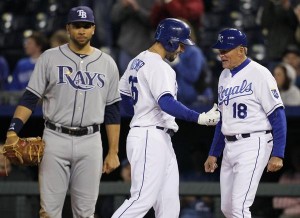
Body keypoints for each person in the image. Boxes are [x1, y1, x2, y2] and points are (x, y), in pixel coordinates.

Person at [3, 6, 121, 218]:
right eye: (77, 26)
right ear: (68, 28)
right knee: (49, 211)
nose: (82, 30)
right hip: (55, 138)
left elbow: (112, 110)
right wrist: (13, 130)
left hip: (90, 140)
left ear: (93, 29)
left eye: (86, 26)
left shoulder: (108, 64)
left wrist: (113, 151)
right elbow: (30, 98)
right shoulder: (49, 58)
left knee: (86, 213)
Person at [111, 18, 220, 218]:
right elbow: (166, 103)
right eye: (180, 44)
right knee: (141, 199)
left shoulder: (137, 60)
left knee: (169, 206)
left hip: (155, 136)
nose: (182, 50)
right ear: (170, 41)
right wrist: (199, 118)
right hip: (149, 136)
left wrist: (143, 109)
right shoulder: (160, 66)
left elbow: (125, 101)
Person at [204, 28, 287, 218]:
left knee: (239, 208)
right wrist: (213, 153)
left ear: (242, 50)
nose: (221, 55)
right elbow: (223, 119)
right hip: (229, 145)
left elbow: (277, 114)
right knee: (227, 208)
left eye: (226, 50)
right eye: (220, 51)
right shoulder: (223, 76)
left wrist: (278, 153)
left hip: (254, 143)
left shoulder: (260, 73)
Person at [273, 145, 300, 218]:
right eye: (296, 156)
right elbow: (277, 202)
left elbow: (283, 201)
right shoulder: (286, 176)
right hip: (288, 215)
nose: (298, 159)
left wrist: (290, 199)